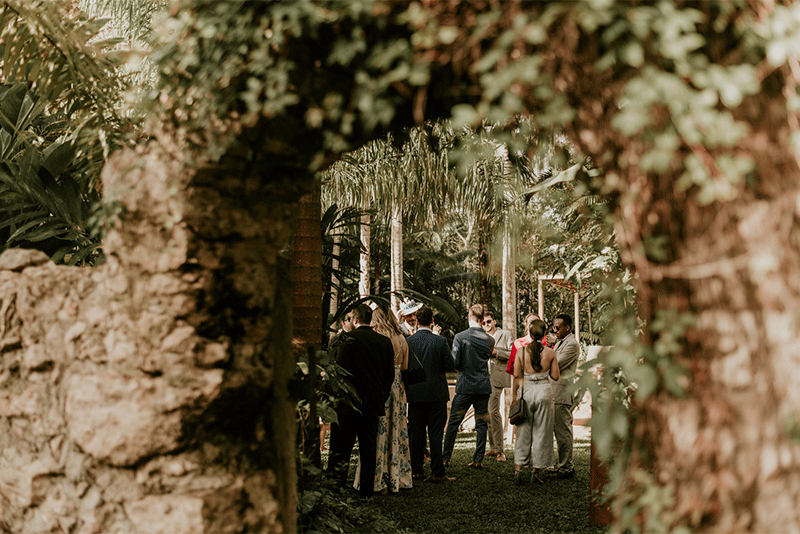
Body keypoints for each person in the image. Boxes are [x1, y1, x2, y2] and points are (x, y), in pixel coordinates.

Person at [327, 304, 395, 497]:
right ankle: (366, 491)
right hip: (373, 404)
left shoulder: (346, 340)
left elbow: (339, 373)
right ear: (370, 318)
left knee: (341, 449)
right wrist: (380, 397)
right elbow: (389, 376)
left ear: (355, 320)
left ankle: (336, 488)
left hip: (347, 405)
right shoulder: (384, 342)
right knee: (368, 450)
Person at [353, 308, 412, 494]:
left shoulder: (378, 340)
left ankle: (377, 478)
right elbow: (404, 367)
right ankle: (397, 477)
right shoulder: (401, 339)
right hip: (398, 388)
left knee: (378, 431)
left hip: (380, 386)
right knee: (397, 429)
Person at [406, 306, 457, 483]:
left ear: (417, 321)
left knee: (416, 433)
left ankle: (416, 470)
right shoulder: (440, 341)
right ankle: (437, 471)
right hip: (436, 393)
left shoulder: (409, 341)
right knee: (436, 434)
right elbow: (450, 364)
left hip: (415, 393)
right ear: (432, 321)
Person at [442, 304, 495, 469]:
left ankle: (445, 458)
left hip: (465, 386)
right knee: (481, 424)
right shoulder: (490, 340)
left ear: (469, 317)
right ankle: (478, 459)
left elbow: (455, 362)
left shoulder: (460, 336)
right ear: (481, 319)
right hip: (482, 386)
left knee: (453, 423)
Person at [511, 319, 559, 485]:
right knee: (542, 432)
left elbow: (517, 375)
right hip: (544, 392)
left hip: (526, 391)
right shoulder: (550, 353)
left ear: (529, 333)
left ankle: (518, 471)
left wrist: (513, 397)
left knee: (523, 432)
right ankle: (535, 472)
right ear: (544, 334)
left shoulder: (521, 352)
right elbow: (556, 376)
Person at [550, 313, 581, 479]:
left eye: (558, 327)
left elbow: (555, 364)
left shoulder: (572, 344)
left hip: (562, 393)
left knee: (563, 432)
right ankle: (563, 465)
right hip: (554, 392)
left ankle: (566, 468)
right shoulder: (560, 342)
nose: (554, 330)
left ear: (567, 327)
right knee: (558, 431)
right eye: (553, 327)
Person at [481, 310, 513, 462]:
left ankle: (500, 450)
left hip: (497, 376)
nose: (486, 325)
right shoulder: (480, 336)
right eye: (483, 323)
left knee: (493, 411)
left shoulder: (505, 334)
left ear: (494, 321)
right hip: (482, 378)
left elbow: (513, 354)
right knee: (487, 412)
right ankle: (493, 447)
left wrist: (496, 353)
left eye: (488, 321)